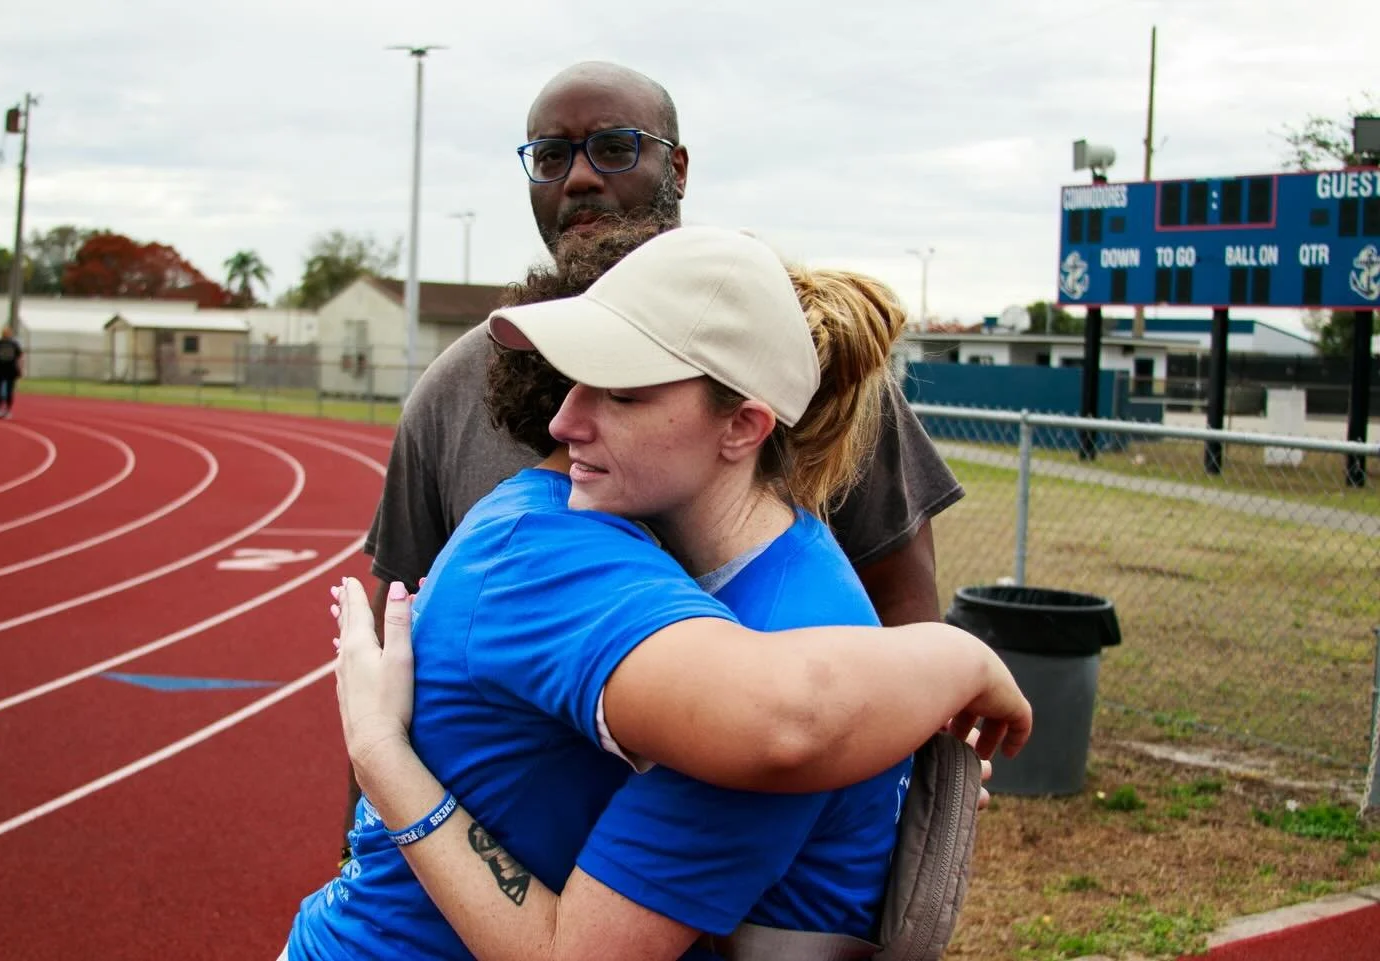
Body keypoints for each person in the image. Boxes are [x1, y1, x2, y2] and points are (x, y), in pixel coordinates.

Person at [284, 227, 1031, 961]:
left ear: (741, 425)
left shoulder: (773, 646)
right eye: (575, 378)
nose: (563, 419)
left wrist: (953, 656)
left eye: (623, 393)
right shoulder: (720, 579)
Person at [351, 59, 964, 848]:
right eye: (550, 156)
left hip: (733, 847)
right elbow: (392, 648)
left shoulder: (792, 357)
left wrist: (908, 775)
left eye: (613, 147)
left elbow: (902, 596)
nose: (577, 179)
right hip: (518, 869)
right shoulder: (454, 391)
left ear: (676, 166)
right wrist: (359, 830)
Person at [0, 327, 24, 419]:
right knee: (7, 390)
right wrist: (20, 369)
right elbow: (20, 358)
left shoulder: (0, 343)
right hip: (7, 369)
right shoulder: (10, 344)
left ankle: (2, 409)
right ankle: (5, 410)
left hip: (2, 369)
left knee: (1, 390)